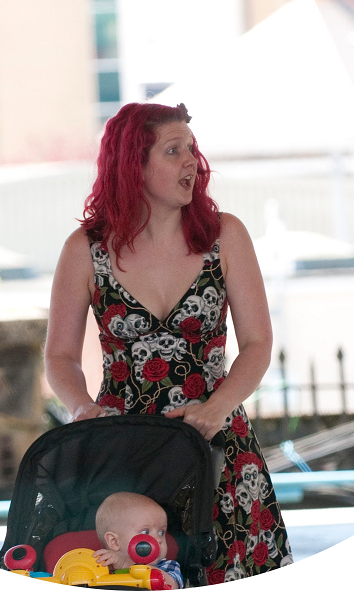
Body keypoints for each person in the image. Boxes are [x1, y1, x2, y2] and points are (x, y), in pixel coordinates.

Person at [45, 102, 293, 583]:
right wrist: (80, 409)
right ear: (131, 164)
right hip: (123, 452)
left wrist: (217, 407)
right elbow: (58, 357)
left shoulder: (226, 236)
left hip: (218, 445)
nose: (192, 163)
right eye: (173, 150)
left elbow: (259, 344)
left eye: (192, 150)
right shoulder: (85, 250)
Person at [94, 492, 182, 589]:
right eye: (145, 532)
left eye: (161, 532)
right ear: (114, 541)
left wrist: (125, 564)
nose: (158, 539)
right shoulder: (102, 569)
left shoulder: (167, 567)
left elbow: (172, 586)